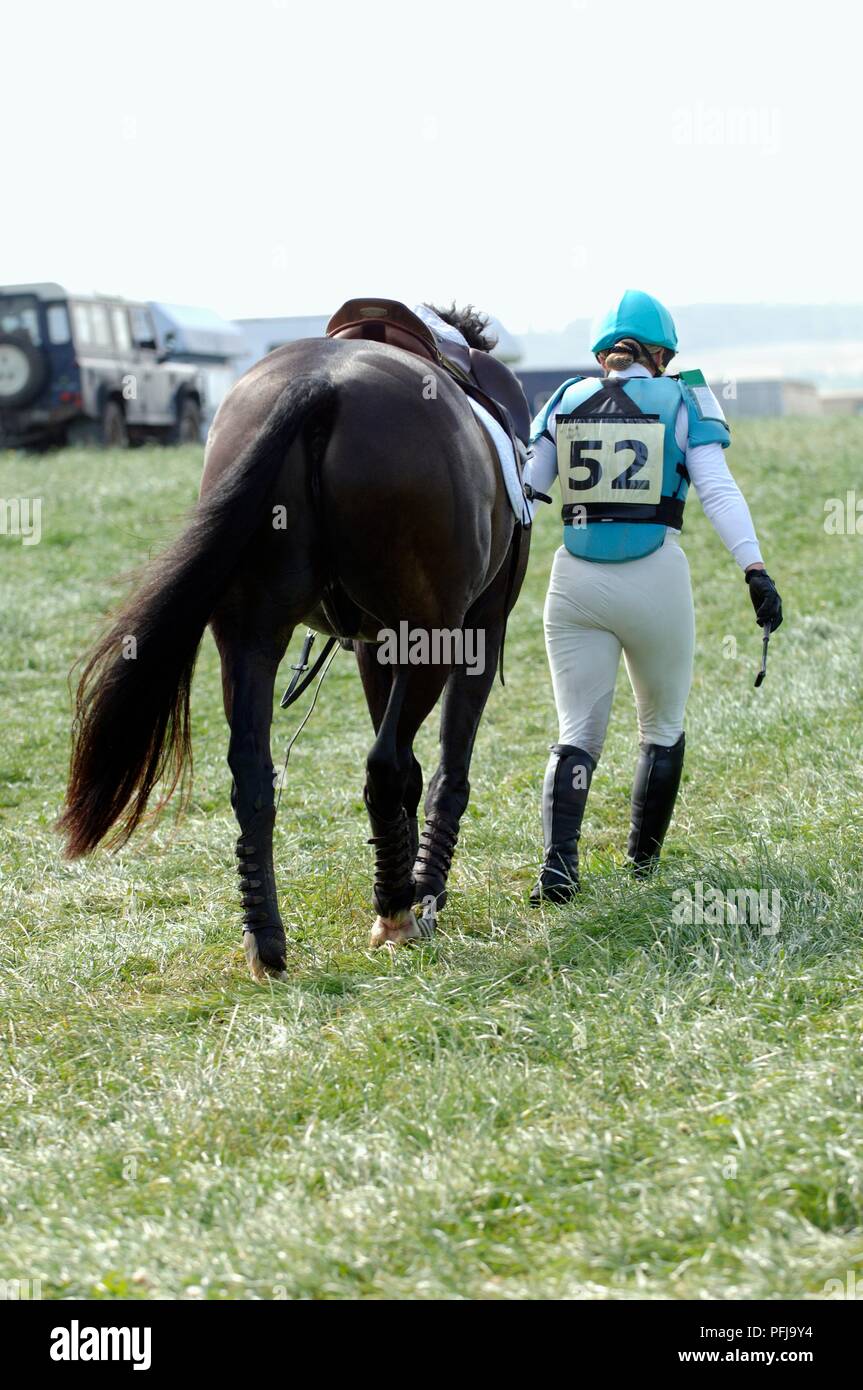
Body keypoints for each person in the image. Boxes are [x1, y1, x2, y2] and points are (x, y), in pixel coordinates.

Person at [523, 289, 783, 904]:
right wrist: (755, 570)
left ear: (601, 352)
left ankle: (558, 871)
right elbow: (717, 491)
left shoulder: (565, 399)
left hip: (574, 583)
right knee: (661, 728)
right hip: (655, 580)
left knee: (576, 734)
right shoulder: (685, 397)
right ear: (662, 353)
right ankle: (642, 869)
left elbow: (525, 497)